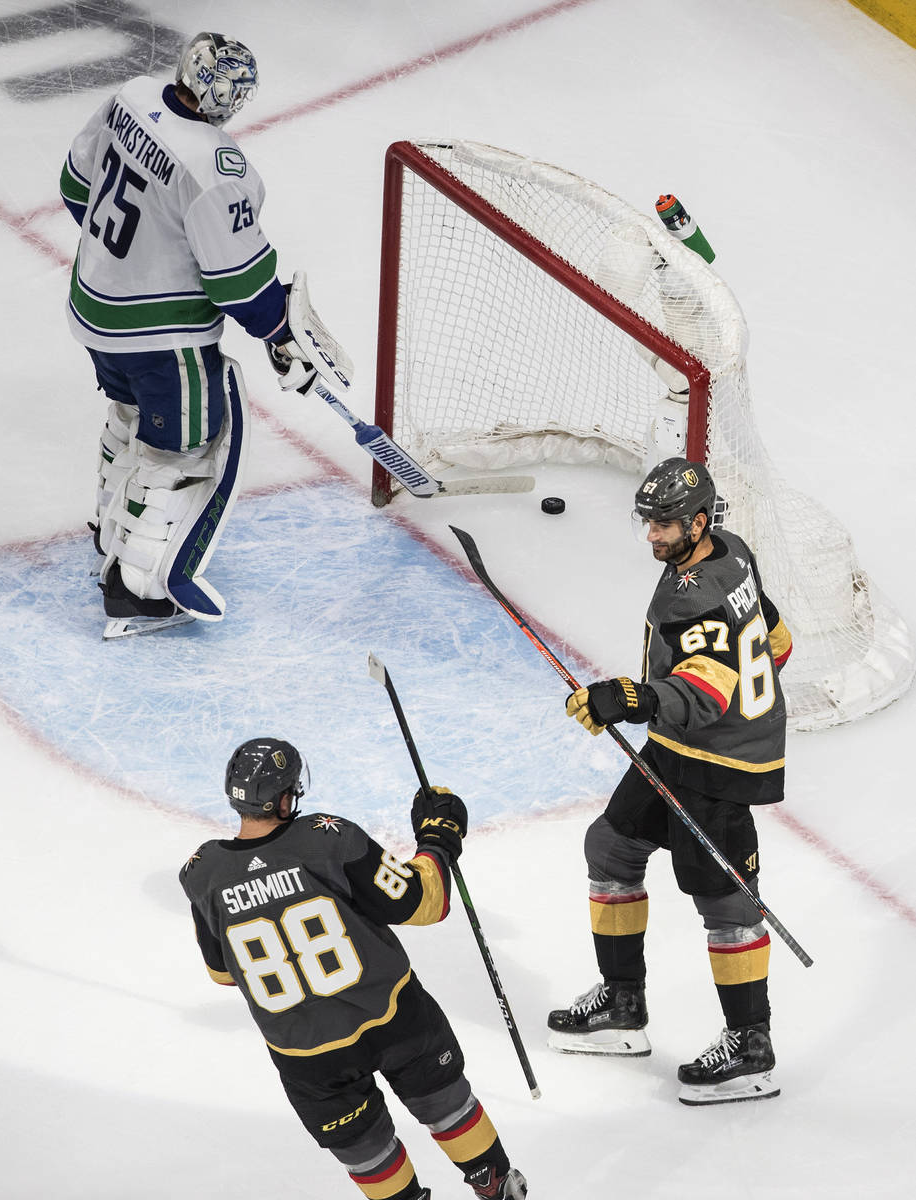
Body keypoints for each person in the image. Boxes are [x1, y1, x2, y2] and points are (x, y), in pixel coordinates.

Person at [179, 737, 527, 1200]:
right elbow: (424, 902)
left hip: (307, 1056)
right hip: (395, 1017)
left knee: (367, 1152)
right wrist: (439, 839)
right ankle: (496, 1186)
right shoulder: (328, 838)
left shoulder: (202, 874)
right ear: (285, 798)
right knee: (446, 1106)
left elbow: (222, 973)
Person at [548, 456, 793, 1106]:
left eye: (663, 525)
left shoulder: (693, 597)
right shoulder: (732, 553)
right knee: (611, 847)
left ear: (696, 520)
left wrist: (630, 698)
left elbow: (704, 692)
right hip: (680, 746)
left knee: (725, 903)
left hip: (720, 761)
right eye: (648, 524)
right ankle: (622, 1003)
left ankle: (749, 1047)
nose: (653, 536)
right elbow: (777, 637)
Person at [59, 32, 321, 638]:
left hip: (94, 307)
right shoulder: (217, 166)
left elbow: (77, 187)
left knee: (129, 414)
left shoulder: (130, 97)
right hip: (162, 335)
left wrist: (133, 258)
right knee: (182, 450)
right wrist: (279, 329)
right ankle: (140, 589)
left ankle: (111, 530)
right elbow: (238, 283)